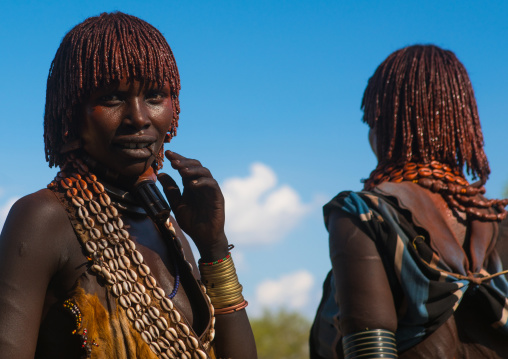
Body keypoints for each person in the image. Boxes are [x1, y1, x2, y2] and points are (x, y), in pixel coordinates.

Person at [0, 12, 257, 359]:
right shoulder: (43, 219)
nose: (138, 117)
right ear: (72, 112)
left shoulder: (168, 227)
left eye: (154, 96)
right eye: (113, 98)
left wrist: (213, 246)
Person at [309, 45, 508, 358]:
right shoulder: (501, 220)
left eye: (373, 120)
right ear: (461, 123)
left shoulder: (362, 213)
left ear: (386, 126)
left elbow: (370, 352)